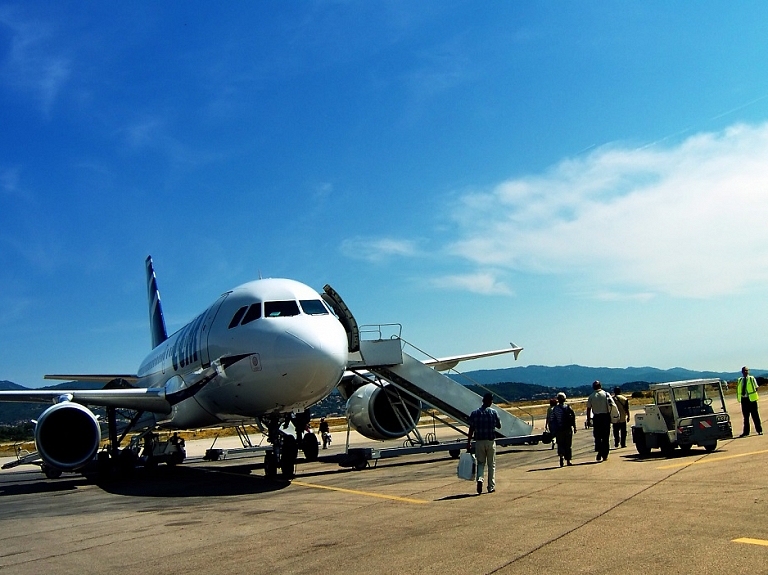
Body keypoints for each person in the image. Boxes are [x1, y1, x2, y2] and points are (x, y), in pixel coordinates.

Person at [467, 392, 502, 494]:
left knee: (481, 463)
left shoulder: (475, 413)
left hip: (479, 441)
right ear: (490, 401)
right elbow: (499, 426)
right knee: (491, 465)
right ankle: (491, 487)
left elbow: (471, 429)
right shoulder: (493, 412)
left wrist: (468, 442)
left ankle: (480, 478)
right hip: (490, 441)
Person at [586, 380, 614, 462]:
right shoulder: (606, 394)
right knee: (605, 437)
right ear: (600, 386)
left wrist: (588, 419)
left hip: (597, 417)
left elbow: (588, 409)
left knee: (598, 436)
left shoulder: (591, 396)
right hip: (605, 417)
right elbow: (612, 405)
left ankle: (599, 451)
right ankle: (604, 454)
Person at [550, 392, 577, 467]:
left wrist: (553, 430)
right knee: (568, 445)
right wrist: (574, 427)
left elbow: (552, 419)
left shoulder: (555, 409)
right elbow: (573, 418)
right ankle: (568, 460)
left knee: (560, 444)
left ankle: (561, 457)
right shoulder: (568, 407)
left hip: (559, 429)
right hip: (567, 429)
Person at [737, 367, 762, 437]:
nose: (745, 372)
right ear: (742, 372)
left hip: (751, 400)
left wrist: (751, 395)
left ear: (748, 371)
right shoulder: (740, 380)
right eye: (744, 371)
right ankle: (746, 432)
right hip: (744, 400)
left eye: (746, 370)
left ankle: (759, 430)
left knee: (755, 416)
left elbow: (756, 388)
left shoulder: (751, 378)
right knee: (746, 417)